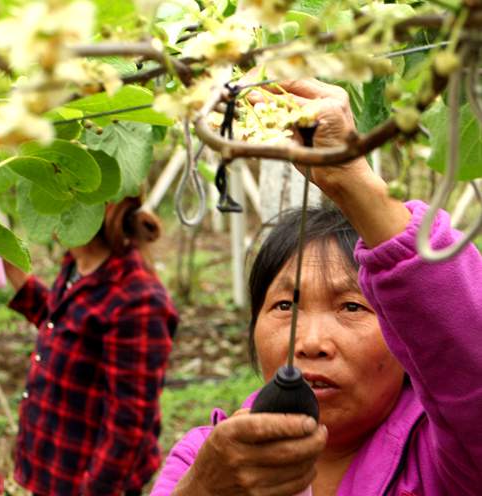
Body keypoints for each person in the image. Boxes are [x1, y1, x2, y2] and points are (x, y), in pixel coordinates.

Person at [151, 79, 482, 495]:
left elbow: (470, 348)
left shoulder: (449, 458)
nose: (309, 342)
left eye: (351, 307)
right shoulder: (204, 459)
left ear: (409, 336)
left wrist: (347, 174)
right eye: (286, 305)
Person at [0, 197, 178, 496]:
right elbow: (60, 323)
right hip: (56, 468)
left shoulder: (138, 300)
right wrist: (8, 265)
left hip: (86, 483)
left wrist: (95, 489)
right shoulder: (80, 265)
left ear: (101, 207)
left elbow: (129, 422)